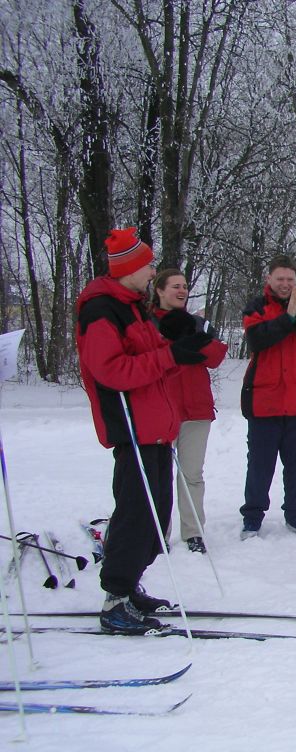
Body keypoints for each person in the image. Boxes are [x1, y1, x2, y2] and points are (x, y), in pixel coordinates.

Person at [76, 227, 211, 633]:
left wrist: (177, 348)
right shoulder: (102, 309)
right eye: (148, 265)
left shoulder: (133, 306)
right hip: (133, 429)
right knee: (135, 516)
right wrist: (169, 356)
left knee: (155, 517)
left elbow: (151, 355)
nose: (153, 271)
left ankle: (130, 585)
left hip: (155, 428)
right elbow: (111, 370)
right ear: (129, 268)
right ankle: (115, 601)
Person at [238, 255, 296, 540]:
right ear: (269, 279)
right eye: (280, 279)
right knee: (260, 465)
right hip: (265, 402)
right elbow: (257, 339)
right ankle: (252, 518)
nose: (285, 284)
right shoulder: (257, 306)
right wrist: (287, 319)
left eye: (290, 279)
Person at [152, 268, 229, 554]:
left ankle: (193, 532)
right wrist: (176, 346)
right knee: (158, 476)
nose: (182, 290)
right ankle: (158, 532)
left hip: (196, 409)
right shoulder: (147, 323)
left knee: (192, 475)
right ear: (160, 290)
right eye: (175, 286)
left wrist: (192, 337)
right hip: (161, 410)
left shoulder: (198, 323)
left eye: (184, 286)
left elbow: (216, 356)